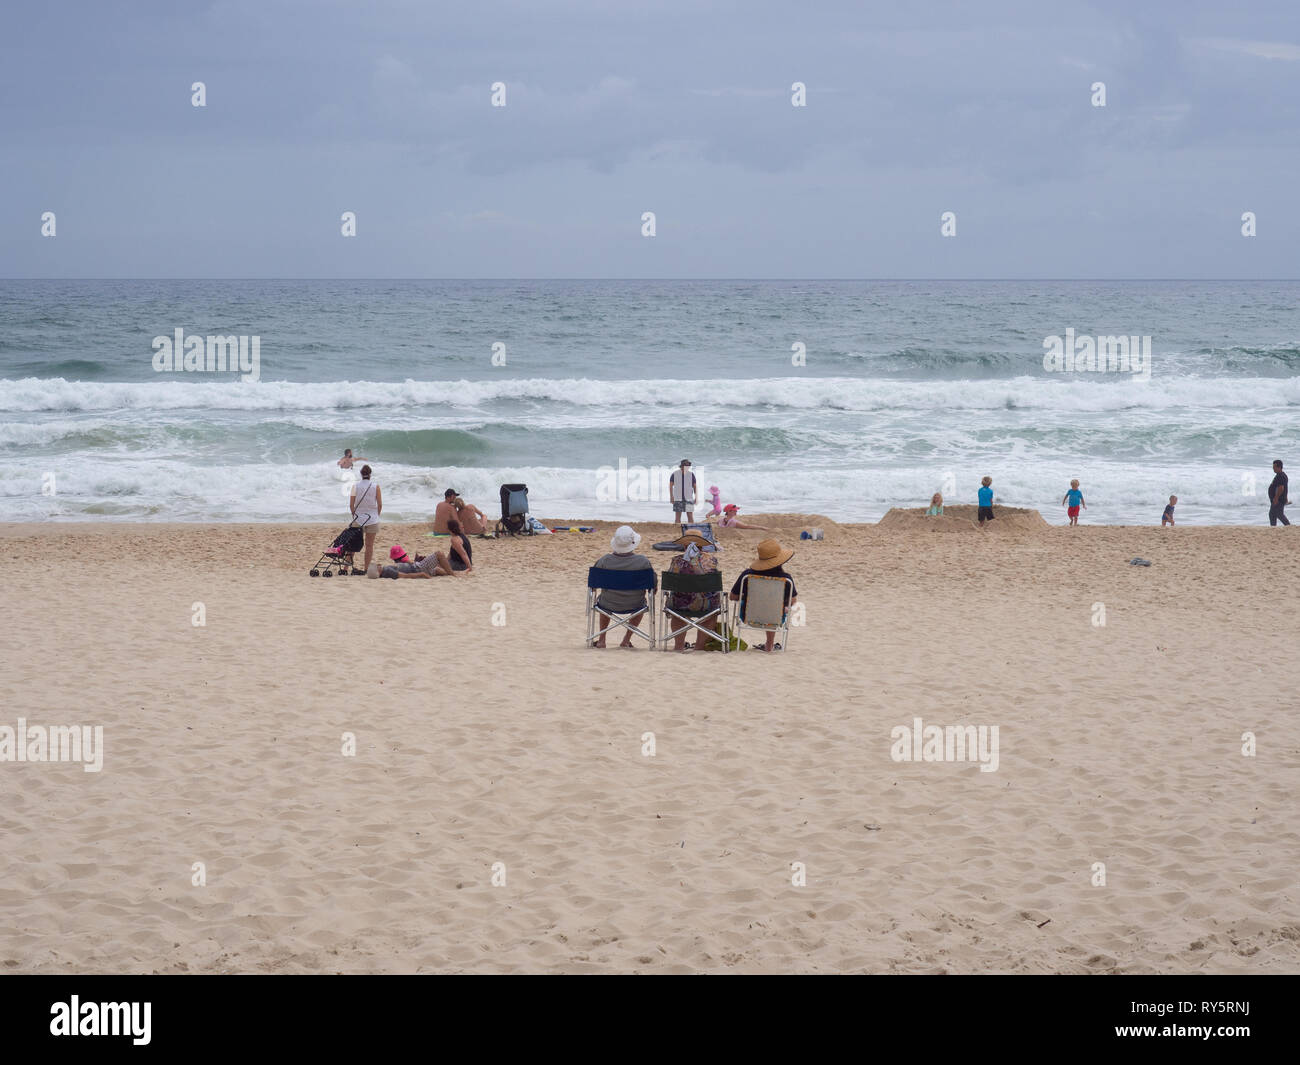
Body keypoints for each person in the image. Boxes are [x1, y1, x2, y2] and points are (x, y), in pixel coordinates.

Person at [591, 525, 655, 649]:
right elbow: (653, 586)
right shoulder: (643, 561)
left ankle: (602, 640)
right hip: (635, 604)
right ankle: (626, 640)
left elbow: (593, 584)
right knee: (641, 603)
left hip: (608, 603)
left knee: (604, 600)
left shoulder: (604, 560)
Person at [729, 539, 797, 652]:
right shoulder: (786, 578)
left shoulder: (747, 575)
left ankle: (768, 643)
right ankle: (769, 644)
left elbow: (732, 597)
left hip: (748, 616)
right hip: (775, 617)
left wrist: (748, 596)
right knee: (775, 607)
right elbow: (793, 600)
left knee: (766, 605)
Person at [665, 531, 721, 652]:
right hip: (706, 606)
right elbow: (712, 582)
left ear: (685, 546)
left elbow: (671, 582)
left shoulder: (676, 561)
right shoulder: (711, 560)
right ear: (702, 545)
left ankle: (678, 646)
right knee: (712, 610)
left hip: (680, 605)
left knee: (677, 611)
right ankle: (699, 646)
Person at [349, 465, 381, 571]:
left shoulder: (355, 486)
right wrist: (377, 516)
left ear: (361, 474)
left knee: (353, 544)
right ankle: (366, 569)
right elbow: (380, 504)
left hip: (358, 519)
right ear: (370, 474)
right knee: (369, 546)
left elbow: (351, 505)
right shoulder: (376, 486)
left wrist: (355, 515)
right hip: (372, 519)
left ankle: (345, 567)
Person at [669, 459, 697, 524]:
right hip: (678, 497)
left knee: (690, 515)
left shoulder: (691, 474)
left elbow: (695, 486)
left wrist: (696, 497)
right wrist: (671, 497)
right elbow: (670, 486)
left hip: (689, 497)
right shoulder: (675, 474)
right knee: (678, 516)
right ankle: (677, 530)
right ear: (681, 466)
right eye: (685, 466)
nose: (687, 468)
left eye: (688, 466)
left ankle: (691, 530)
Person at [1269, 460, 1290, 526]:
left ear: (1279, 467)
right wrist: (1286, 498)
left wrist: (1276, 498)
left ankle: (1288, 526)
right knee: (1274, 514)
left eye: (1274, 467)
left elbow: (1281, 488)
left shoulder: (1281, 476)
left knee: (1277, 514)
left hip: (1278, 500)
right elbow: (1285, 489)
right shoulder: (1281, 475)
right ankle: (1274, 527)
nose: (1273, 468)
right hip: (1280, 499)